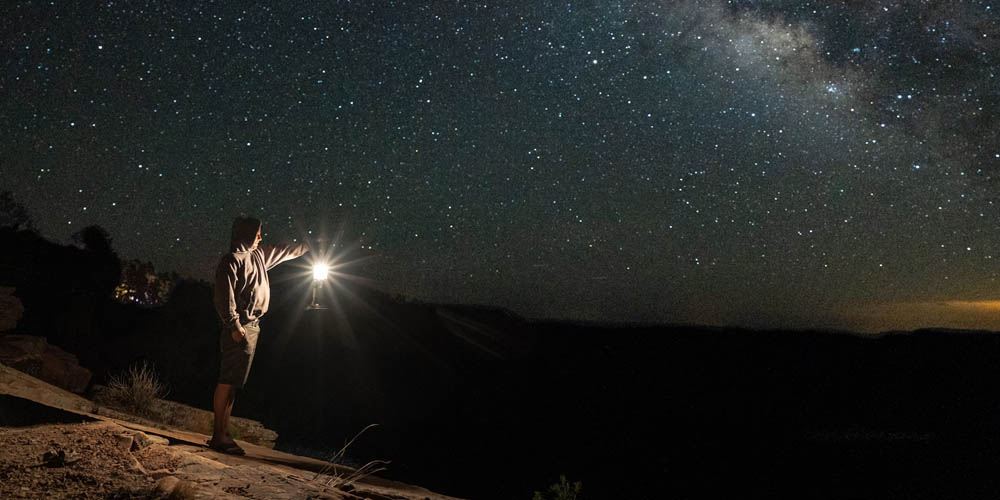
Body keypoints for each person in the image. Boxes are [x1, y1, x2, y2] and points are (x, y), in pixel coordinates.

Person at [209, 216, 308, 454]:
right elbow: (223, 297)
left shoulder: (258, 256)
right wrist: (235, 326)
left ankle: (224, 433)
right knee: (227, 380)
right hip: (240, 328)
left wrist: (308, 246)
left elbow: (284, 251)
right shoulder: (231, 261)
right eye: (257, 233)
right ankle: (218, 436)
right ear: (245, 234)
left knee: (235, 383)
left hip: (252, 326)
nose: (261, 237)